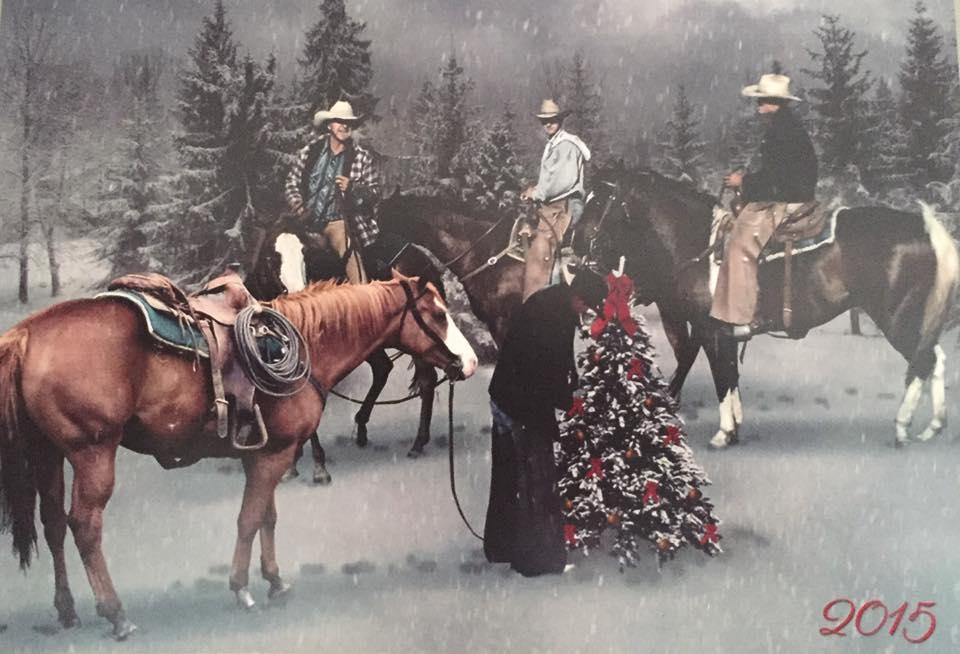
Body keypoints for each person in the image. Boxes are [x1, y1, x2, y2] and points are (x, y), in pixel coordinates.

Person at [484, 270, 607, 576]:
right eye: (587, 306)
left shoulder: (552, 302)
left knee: (507, 477)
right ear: (578, 297)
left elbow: (558, 362)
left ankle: (502, 546)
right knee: (536, 482)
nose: (586, 312)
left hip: (505, 396)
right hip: (522, 405)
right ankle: (538, 559)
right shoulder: (554, 315)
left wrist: (569, 388)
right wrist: (571, 404)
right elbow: (546, 372)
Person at [710, 73, 818, 340]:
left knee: (739, 244)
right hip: (788, 193)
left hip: (785, 198)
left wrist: (742, 181)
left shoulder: (781, 131)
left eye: (762, 101)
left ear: (774, 103)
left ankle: (744, 317)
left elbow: (775, 177)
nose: (758, 106)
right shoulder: (785, 127)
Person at [284, 100, 382, 284]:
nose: (344, 126)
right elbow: (292, 182)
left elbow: (375, 193)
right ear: (330, 125)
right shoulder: (310, 151)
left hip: (338, 222)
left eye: (348, 123)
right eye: (339, 121)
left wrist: (354, 188)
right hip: (305, 221)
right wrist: (298, 207)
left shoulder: (361, 157)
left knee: (352, 261)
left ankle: (363, 296)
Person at [519, 99, 591, 302]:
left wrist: (537, 193)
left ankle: (541, 299)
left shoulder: (566, 145)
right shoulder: (554, 144)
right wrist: (536, 190)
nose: (548, 124)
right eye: (544, 121)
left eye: (552, 120)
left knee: (543, 250)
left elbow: (562, 182)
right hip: (553, 205)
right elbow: (551, 178)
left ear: (560, 120)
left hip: (565, 206)